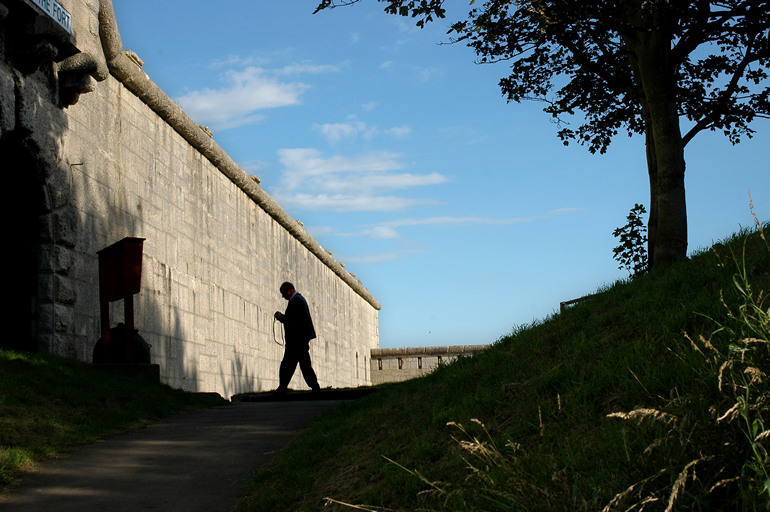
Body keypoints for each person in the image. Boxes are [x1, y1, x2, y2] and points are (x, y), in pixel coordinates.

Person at [273, 282, 321, 394]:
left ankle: (283, 388)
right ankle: (314, 387)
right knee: (302, 365)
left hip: (297, 341)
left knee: (289, 365)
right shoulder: (299, 299)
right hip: (300, 340)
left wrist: (281, 317)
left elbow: (293, 321)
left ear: (289, 291)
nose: (283, 296)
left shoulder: (296, 301)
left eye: (284, 293)